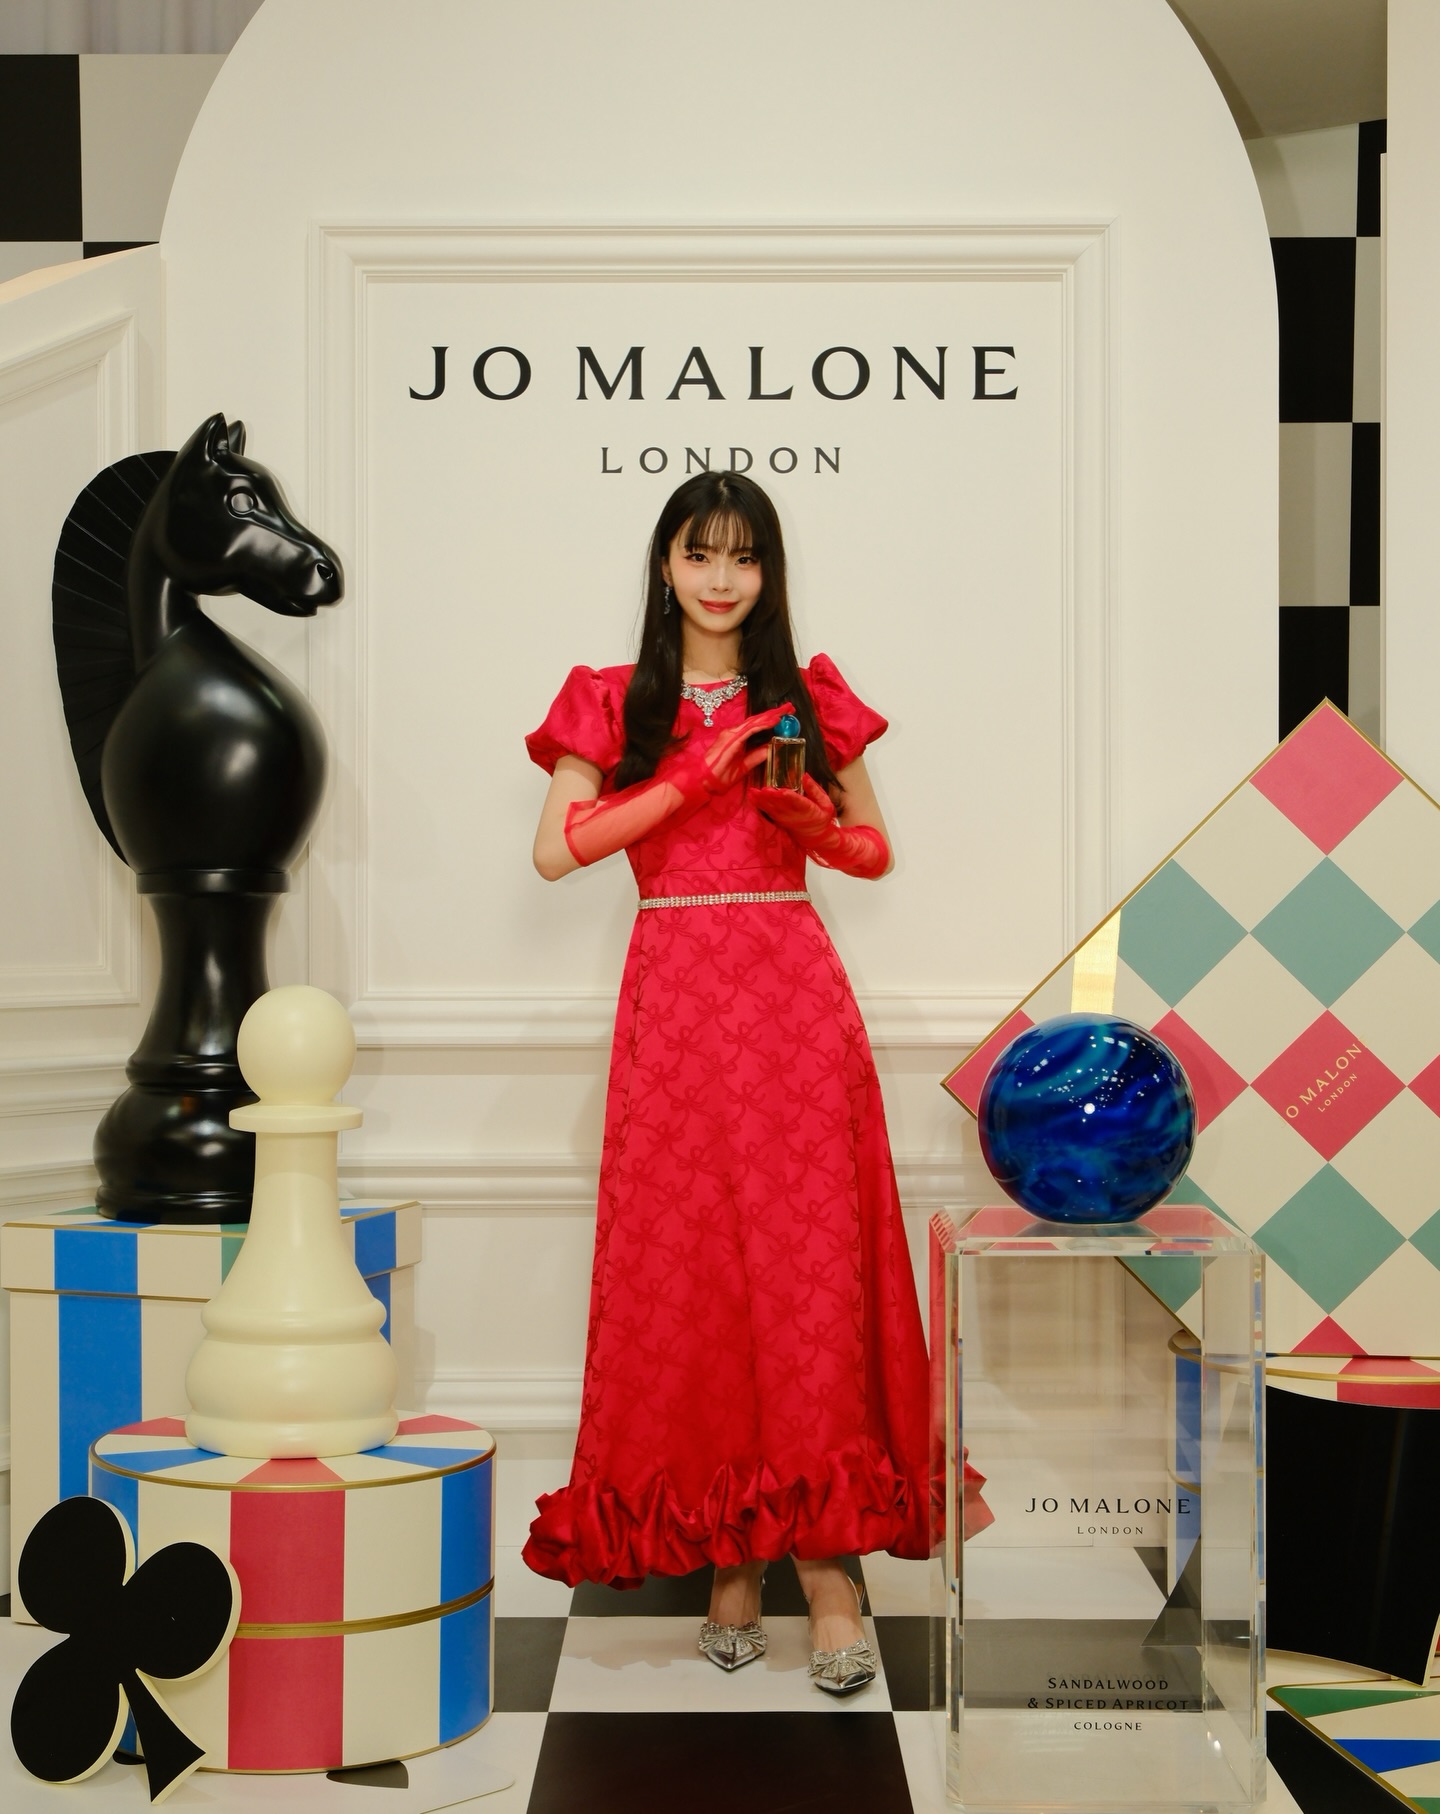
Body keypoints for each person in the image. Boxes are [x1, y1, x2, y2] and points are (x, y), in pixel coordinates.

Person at [522, 471, 930, 1696]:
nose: (719, 577)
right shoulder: (613, 699)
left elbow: (874, 850)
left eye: (742, 557)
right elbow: (555, 851)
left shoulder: (808, 697)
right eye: (698, 553)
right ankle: (730, 1559)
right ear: (665, 565)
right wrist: (686, 783)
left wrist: (812, 827)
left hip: (793, 1001)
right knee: (692, 1281)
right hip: (677, 1008)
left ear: (768, 571)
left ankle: (829, 1574)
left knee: (807, 1285)